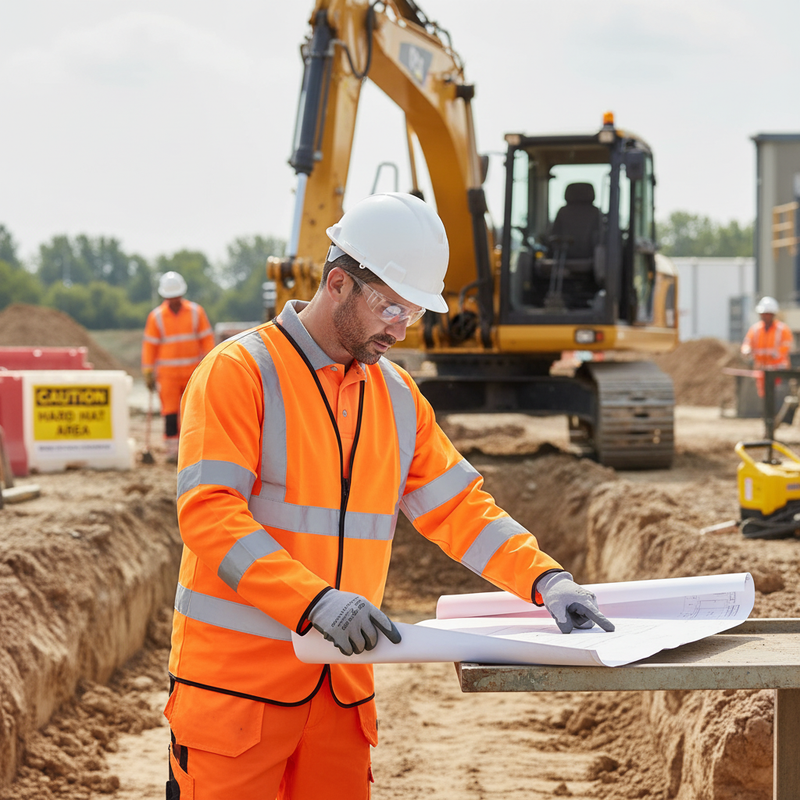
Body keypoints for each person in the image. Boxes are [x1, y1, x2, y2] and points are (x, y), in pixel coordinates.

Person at [163, 193, 614, 800]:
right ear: (339, 283)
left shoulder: (398, 395)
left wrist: (547, 581)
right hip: (237, 693)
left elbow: (458, 507)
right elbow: (210, 513)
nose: (402, 329)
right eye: (392, 307)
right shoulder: (240, 372)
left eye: (413, 312)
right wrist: (313, 601)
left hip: (341, 694)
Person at [141, 271, 214, 463]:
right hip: (168, 375)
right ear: (165, 296)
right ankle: (173, 452)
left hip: (193, 372)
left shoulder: (196, 312)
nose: (174, 300)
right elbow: (149, 346)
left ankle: (193, 450)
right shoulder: (156, 317)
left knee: (194, 411)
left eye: (176, 295)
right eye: (170, 296)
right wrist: (148, 371)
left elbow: (207, 340)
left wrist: (210, 364)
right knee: (170, 413)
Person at [741, 296, 794, 399]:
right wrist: (746, 350)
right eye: (763, 314)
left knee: (778, 394)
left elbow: (787, 345)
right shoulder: (755, 329)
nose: (765, 316)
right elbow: (747, 343)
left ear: (773, 314)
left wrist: (777, 353)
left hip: (778, 369)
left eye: (768, 314)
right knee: (763, 395)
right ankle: (766, 414)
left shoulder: (782, 329)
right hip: (761, 368)